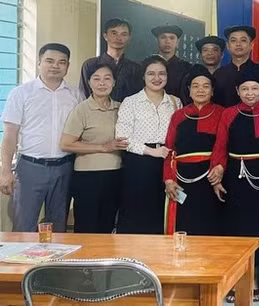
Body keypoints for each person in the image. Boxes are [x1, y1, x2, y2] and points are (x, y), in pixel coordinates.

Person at [0, 43, 81, 232]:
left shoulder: (75, 95)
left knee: (57, 227)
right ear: (39, 63)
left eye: (62, 62)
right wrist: (5, 171)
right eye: (49, 61)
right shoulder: (21, 93)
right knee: (24, 226)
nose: (55, 66)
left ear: (67, 67)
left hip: (64, 168)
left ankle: (53, 262)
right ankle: (23, 263)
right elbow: (10, 136)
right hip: (30, 168)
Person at [210, 67, 259, 302]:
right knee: (236, 229)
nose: (249, 93)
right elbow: (220, 146)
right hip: (235, 175)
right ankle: (235, 280)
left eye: (254, 88)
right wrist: (218, 171)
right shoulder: (229, 113)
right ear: (237, 90)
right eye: (244, 89)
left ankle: (254, 280)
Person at [115, 55, 182, 234]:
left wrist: (165, 154)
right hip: (139, 164)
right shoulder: (131, 102)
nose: (157, 78)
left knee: (164, 211)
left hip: (167, 163)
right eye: (151, 73)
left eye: (162, 73)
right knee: (137, 213)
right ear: (143, 76)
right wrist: (152, 152)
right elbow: (122, 138)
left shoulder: (175, 102)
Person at [60, 63, 127, 233]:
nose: (102, 83)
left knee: (108, 225)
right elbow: (66, 144)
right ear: (89, 82)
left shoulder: (121, 108)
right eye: (96, 79)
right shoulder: (82, 109)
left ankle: (104, 259)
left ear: (114, 82)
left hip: (116, 174)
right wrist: (103, 147)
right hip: (87, 177)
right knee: (87, 226)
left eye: (107, 79)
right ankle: (85, 260)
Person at [163, 65, 225, 236]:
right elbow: (170, 150)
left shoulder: (221, 113)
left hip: (212, 177)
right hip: (183, 178)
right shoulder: (178, 115)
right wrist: (168, 179)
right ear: (189, 90)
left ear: (212, 91)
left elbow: (223, 145)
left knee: (212, 223)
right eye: (195, 86)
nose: (200, 90)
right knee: (185, 224)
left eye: (206, 86)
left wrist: (219, 168)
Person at [80, 18, 142, 102]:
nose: (119, 38)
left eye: (124, 34)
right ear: (105, 36)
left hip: (127, 113)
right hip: (96, 113)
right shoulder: (90, 65)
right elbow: (84, 95)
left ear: (129, 38)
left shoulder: (136, 68)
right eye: (114, 33)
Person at [214, 25, 259, 107]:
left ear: (251, 45)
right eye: (233, 40)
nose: (238, 44)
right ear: (228, 46)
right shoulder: (218, 74)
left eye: (243, 40)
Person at [152, 25, 193, 98]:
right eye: (163, 37)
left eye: (172, 38)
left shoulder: (187, 69)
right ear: (156, 40)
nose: (167, 41)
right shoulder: (147, 66)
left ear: (178, 42)